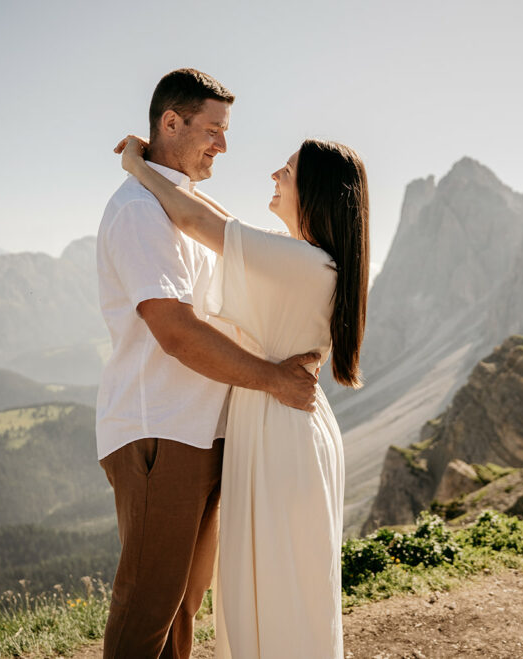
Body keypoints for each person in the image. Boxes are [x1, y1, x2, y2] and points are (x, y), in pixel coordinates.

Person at [115, 131, 369, 659]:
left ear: (315, 193)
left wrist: (139, 168)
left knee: (276, 582)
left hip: (282, 426)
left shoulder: (300, 262)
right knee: (281, 579)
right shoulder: (305, 259)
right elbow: (215, 213)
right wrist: (167, 174)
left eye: (288, 171)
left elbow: (197, 221)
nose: (275, 176)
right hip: (283, 419)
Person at [95, 68, 321, 659]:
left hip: (202, 430)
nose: (224, 145)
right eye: (214, 130)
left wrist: (143, 163)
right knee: (149, 603)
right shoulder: (139, 212)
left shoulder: (179, 204)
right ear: (171, 122)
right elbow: (174, 331)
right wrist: (275, 379)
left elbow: (225, 230)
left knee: (181, 608)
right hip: (161, 429)